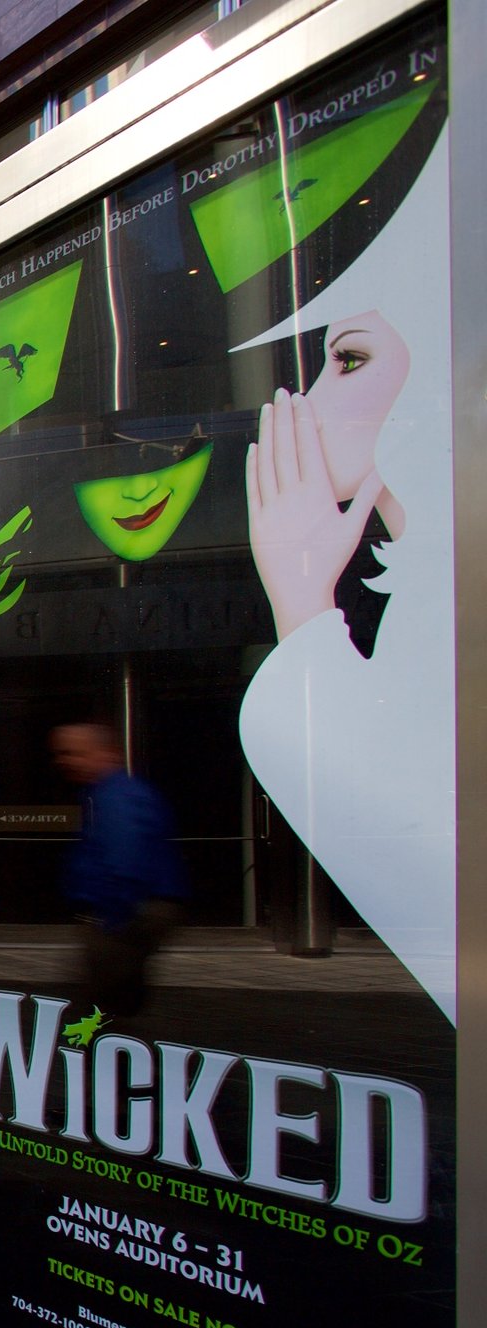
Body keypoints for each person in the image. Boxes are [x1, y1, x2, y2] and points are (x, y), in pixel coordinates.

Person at [235, 145, 454, 1022]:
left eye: (349, 361)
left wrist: (299, 601)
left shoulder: (447, 593)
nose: (311, 397)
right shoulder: (431, 586)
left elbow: (419, 858)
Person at [51, 723, 184, 1017]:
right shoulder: (108, 793)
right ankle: (113, 1053)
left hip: (122, 912)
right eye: (62, 754)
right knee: (117, 997)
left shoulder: (115, 796)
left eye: (75, 754)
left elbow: (125, 859)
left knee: (104, 1003)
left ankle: (106, 1056)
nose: (65, 761)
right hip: (126, 910)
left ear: (106, 753)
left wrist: (111, 919)